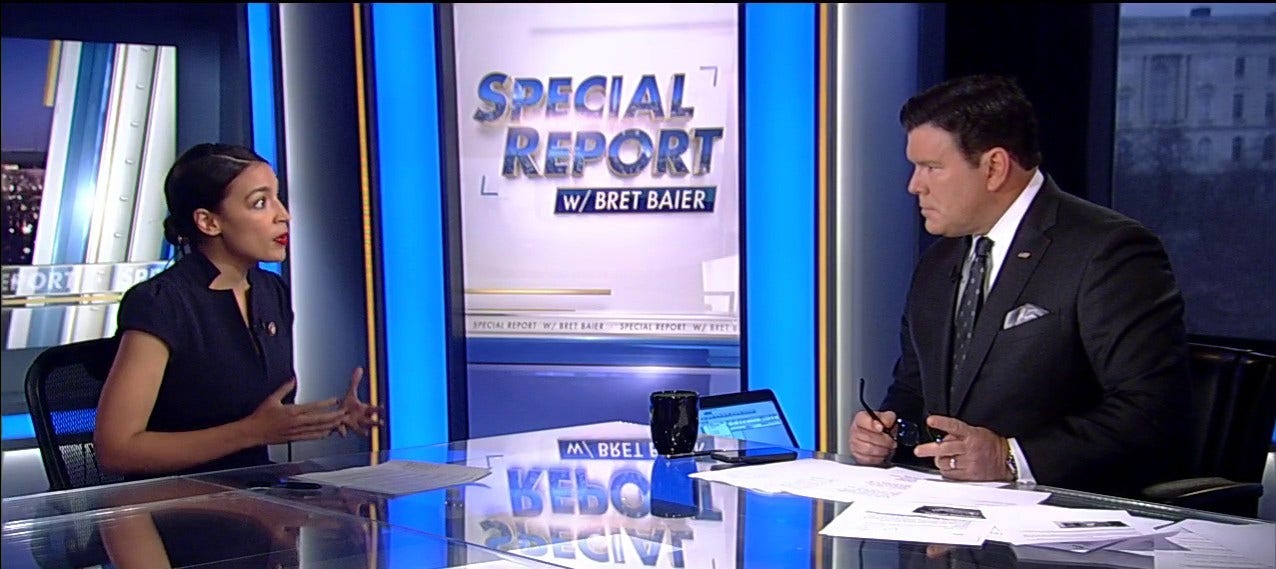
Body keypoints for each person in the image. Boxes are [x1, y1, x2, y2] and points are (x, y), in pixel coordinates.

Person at [848, 75, 1190, 497]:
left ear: (994, 167)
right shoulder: (938, 263)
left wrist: (1011, 458)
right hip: (945, 512)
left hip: (1064, 516)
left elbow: (1151, 412)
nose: (914, 185)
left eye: (932, 168)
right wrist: (886, 430)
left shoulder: (1107, 250)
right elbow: (914, 387)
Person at [95, 143, 381, 479]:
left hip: (253, 492)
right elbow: (117, 450)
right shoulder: (161, 303)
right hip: (173, 500)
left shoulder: (271, 291)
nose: (283, 215)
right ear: (208, 222)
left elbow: (259, 413)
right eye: (260, 203)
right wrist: (251, 432)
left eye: (277, 197)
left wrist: (329, 418)